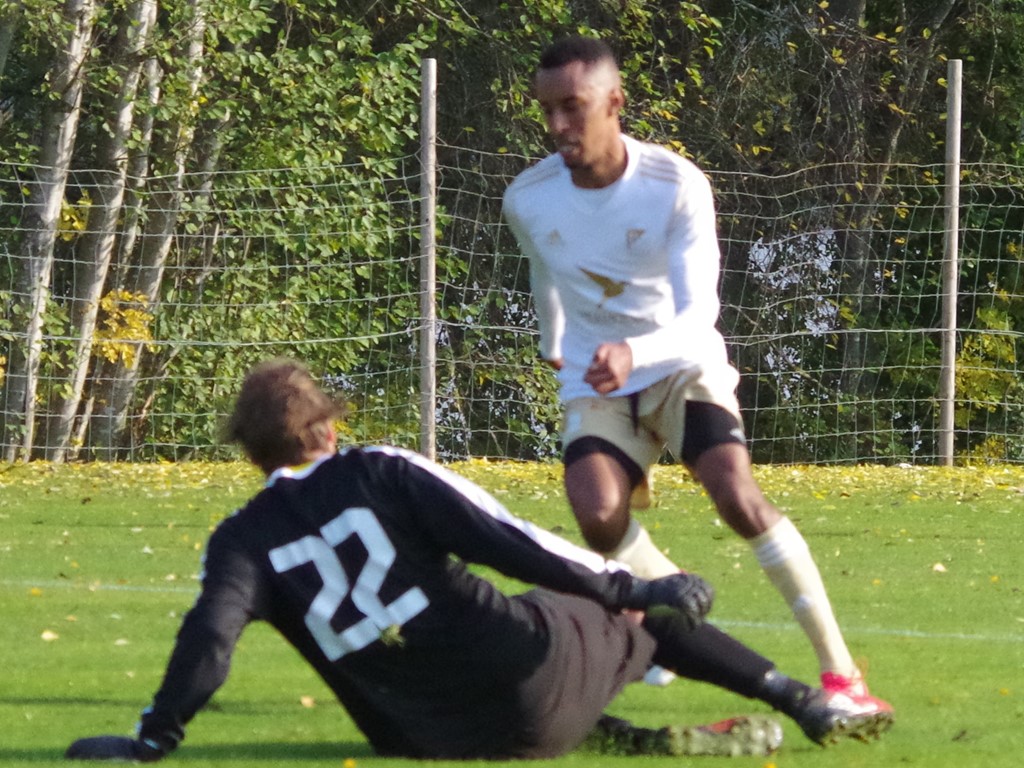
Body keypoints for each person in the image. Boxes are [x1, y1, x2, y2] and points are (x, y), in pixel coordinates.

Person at [66, 358, 891, 762]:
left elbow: (209, 643)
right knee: (629, 612)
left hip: (420, 739)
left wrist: (152, 741)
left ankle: (624, 737)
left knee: (514, 640)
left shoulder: (240, 538)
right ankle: (798, 699)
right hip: (528, 694)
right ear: (327, 428)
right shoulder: (380, 470)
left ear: (251, 452)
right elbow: (510, 541)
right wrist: (633, 584)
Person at [502, 34, 892, 710]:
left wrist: (635, 353)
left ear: (615, 102)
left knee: (737, 497)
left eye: (573, 107)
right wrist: (553, 340)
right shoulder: (528, 197)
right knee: (597, 516)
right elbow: (545, 271)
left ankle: (842, 677)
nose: (559, 125)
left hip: (681, 364)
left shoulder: (674, 185)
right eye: (548, 110)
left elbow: (700, 315)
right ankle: (667, 604)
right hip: (599, 382)